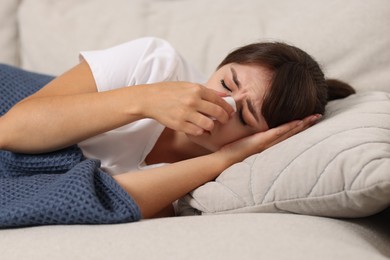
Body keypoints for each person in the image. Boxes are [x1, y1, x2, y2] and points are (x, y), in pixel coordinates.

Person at [0, 37, 355, 219]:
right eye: (227, 83)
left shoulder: (205, 188)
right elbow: (11, 130)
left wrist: (225, 159)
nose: (223, 105)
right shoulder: (155, 64)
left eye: (245, 117)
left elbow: (104, 199)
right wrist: (145, 100)